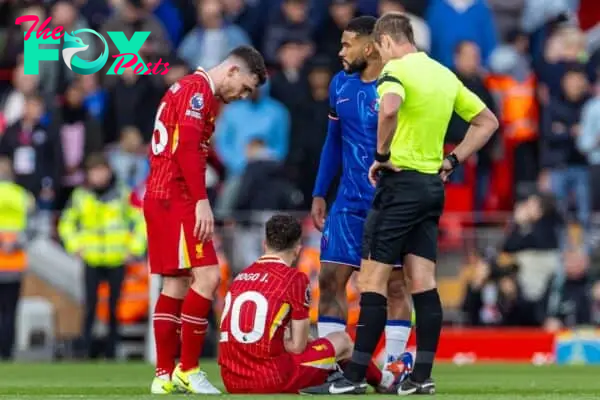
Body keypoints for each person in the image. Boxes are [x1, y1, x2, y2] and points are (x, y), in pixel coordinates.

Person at [303, 12, 498, 396]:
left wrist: (380, 153)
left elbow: (389, 109)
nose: (341, 51)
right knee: (420, 282)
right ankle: (419, 376)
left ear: (382, 43)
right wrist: (452, 161)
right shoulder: (441, 73)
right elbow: (488, 120)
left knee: (376, 282)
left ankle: (358, 375)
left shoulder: (396, 74)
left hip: (392, 188)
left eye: (347, 44)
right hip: (425, 186)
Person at [144, 45, 267, 395]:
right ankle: (189, 368)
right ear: (231, 71)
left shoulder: (184, 88)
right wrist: (201, 201)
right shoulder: (199, 93)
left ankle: (164, 375)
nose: (242, 96)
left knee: (176, 284)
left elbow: (190, 146)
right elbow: (185, 150)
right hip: (177, 195)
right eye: (244, 87)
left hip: (160, 194)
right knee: (209, 276)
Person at [310, 15, 413, 382]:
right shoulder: (341, 85)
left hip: (389, 202)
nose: (340, 51)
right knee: (331, 278)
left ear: (369, 47)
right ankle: (331, 368)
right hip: (347, 202)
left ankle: (394, 369)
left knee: (396, 284)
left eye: (347, 44)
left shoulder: (398, 85)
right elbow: (332, 142)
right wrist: (321, 191)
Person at [218, 214, 396, 394]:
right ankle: (383, 381)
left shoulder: (240, 278)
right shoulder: (294, 279)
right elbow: (298, 346)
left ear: (265, 244)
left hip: (232, 381)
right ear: (297, 248)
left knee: (315, 343)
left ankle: (342, 375)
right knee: (343, 341)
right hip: (270, 379)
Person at [58, 153, 146, 359]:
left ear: (108, 171)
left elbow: (142, 220)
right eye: (94, 172)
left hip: (116, 258)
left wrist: (134, 248)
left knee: (115, 307)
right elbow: (66, 223)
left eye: (101, 171)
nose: (98, 176)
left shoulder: (124, 194)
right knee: (90, 306)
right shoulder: (81, 196)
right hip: (92, 258)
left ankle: (112, 350)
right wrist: (75, 246)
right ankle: (86, 350)